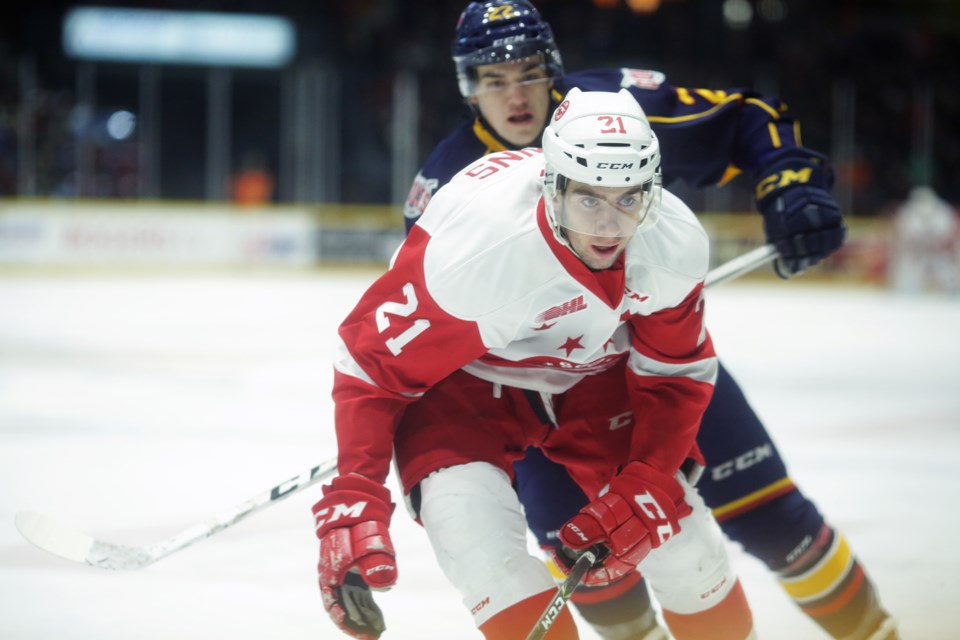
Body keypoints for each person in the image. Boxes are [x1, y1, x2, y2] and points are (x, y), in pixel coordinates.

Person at [402, 2, 898, 640]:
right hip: (546, 408)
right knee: (602, 575)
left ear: (552, 68)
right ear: (467, 86)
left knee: (778, 525)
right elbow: (428, 324)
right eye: (493, 79)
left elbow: (747, 115)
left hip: (660, 372)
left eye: (527, 72)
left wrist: (790, 182)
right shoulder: (448, 183)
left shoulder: (612, 112)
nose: (515, 95)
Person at [314, 88, 756, 640]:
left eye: (628, 199)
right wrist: (356, 490)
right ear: (552, 186)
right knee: (479, 551)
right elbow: (370, 364)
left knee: (689, 554)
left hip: (595, 379)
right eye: (590, 199)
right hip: (464, 387)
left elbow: (674, 372)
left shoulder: (674, 241)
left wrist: (649, 475)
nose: (610, 228)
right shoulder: (476, 251)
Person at [889, 185, 959, 293]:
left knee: (948, 279)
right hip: (915, 255)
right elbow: (902, 237)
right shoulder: (907, 213)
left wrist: (938, 246)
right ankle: (902, 300)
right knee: (906, 279)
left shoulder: (943, 212)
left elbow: (949, 238)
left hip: (938, 255)